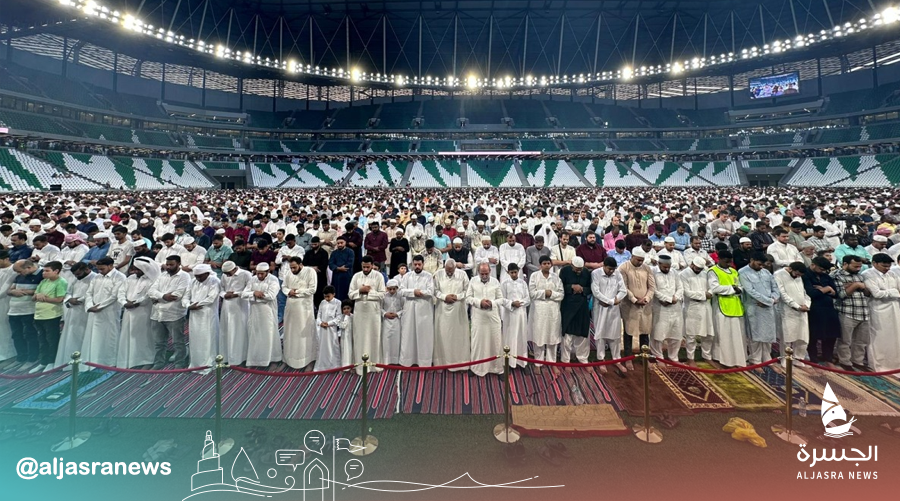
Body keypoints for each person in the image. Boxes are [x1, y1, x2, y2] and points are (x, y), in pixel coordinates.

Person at [81, 257, 126, 367]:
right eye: (98, 269)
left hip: (110, 311)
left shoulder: (120, 277)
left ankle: (109, 361)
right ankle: (94, 360)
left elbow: (114, 296)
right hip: (94, 310)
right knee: (93, 336)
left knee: (109, 335)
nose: (100, 271)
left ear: (110, 266)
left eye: (102, 269)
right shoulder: (97, 277)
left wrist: (100, 306)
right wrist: (89, 306)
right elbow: (89, 293)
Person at [116, 256, 158, 369]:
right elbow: (121, 292)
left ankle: (146, 360)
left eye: (138, 269)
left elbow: (149, 295)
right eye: (134, 269)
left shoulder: (152, 280)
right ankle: (129, 360)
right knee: (128, 334)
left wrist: (136, 303)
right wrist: (124, 302)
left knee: (143, 335)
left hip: (143, 311)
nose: (135, 271)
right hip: (128, 311)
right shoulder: (130, 278)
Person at [831, 255, 871, 370]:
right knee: (845, 340)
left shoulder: (860, 276)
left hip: (863, 311)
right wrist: (856, 285)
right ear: (845, 264)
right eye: (855, 266)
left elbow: (868, 293)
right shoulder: (837, 276)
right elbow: (841, 294)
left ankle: (858, 361)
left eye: (859, 266)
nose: (858, 269)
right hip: (847, 311)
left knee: (861, 341)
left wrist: (856, 286)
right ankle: (845, 362)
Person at [738, 253, 779, 366]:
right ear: (752, 260)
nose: (761, 267)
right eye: (759, 264)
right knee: (755, 334)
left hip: (768, 307)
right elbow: (750, 291)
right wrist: (768, 301)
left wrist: (773, 299)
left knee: (768, 334)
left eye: (763, 265)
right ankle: (755, 360)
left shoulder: (766, 272)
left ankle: (767, 358)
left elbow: (775, 287)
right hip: (754, 306)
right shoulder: (743, 272)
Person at [861, 254, 900, 372]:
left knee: (895, 336)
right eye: (884, 266)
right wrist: (893, 292)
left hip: (894, 308)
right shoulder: (867, 274)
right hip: (877, 309)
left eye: (889, 266)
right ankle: (877, 364)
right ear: (874, 263)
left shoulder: (892, 274)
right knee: (878, 337)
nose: (887, 268)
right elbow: (876, 294)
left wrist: (891, 292)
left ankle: (895, 364)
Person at [708, 251, 747, 368]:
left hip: (736, 305)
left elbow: (740, 286)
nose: (729, 264)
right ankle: (723, 360)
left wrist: (739, 289)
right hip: (721, 306)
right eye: (726, 262)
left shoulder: (734, 271)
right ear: (719, 259)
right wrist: (732, 288)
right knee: (724, 335)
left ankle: (737, 360)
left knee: (737, 335)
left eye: (730, 262)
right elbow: (714, 288)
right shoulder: (713, 271)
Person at [349, 256, 386, 373]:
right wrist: (360, 291)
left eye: (368, 267)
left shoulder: (378, 276)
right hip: (359, 311)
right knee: (359, 337)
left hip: (373, 311)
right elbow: (350, 294)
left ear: (372, 265)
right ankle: (360, 366)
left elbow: (382, 294)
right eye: (364, 267)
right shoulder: (356, 276)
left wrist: (369, 291)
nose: (365, 269)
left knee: (373, 336)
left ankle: (374, 365)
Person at [466, 263, 504, 376]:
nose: (484, 276)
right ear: (478, 272)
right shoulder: (473, 281)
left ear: (490, 272)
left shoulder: (495, 282)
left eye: (486, 273)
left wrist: (491, 303)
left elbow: (501, 299)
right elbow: (468, 298)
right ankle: (476, 368)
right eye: (482, 274)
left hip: (493, 318)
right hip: (478, 317)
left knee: (495, 342)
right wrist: (479, 302)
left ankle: (497, 368)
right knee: (478, 343)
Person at [241, 262, 282, 368]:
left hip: (268, 311)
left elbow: (271, 296)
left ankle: (272, 359)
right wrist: (254, 293)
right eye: (257, 273)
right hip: (254, 312)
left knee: (268, 334)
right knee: (255, 334)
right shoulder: (253, 279)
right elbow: (243, 294)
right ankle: (255, 360)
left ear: (267, 272)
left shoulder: (273, 280)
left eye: (262, 274)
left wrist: (254, 297)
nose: (259, 276)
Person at [619, 248, 655, 370]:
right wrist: (634, 299)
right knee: (628, 331)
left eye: (642, 260)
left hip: (645, 305)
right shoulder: (623, 268)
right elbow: (624, 287)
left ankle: (645, 357)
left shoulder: (647, 268)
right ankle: (628, 358)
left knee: (645, 331)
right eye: (638, 260)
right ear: (632, 257)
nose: (640, 262)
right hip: (629, 305)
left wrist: (646, 298)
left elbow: (652, 287)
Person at [590, 257, 627, 372]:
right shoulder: (595, 273)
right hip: (600, 308)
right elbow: (596, 291)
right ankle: (601, 360)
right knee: (600, 334)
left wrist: (615, 300)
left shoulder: (617, 273)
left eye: (613, 269)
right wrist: (610, 301)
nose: (611, 271)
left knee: (615, 334)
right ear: (604, 266)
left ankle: (617, 360)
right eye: (609, 269)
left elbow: (623, 290)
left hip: (614, 308)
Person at [433, 258, 470, 370]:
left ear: (455, 268)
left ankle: (461, 364)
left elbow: (467, 291)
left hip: (458, 310)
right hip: (442, 310)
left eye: (451, 270)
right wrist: (445, 297)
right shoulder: (438, 274)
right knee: (443, 335)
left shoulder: (462, 274)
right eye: (447, 270)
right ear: (444, 267)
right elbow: (434, 290)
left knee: (458, 336)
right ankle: (442, 362)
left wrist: (457, 297)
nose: (449, 273)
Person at [528, 255, 564, 370]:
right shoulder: (534, 276)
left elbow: (561, 295)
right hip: (539, 311)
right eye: (544, 263)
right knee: (539, 337)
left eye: (548, 263)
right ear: (540, 265)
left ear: (551, 265)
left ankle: (552, 362)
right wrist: (545, 293)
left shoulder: (556, 277)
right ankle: (538, 363)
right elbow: (532, 293)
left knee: (552, 337)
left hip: (553, 311)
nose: (547, 265)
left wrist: (551, 294)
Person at [397, 255, 434, 367]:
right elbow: (401, 291)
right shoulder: (407, 276)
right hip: (409, 309)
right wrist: (414, 292)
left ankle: (424, 361)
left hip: (424, 309)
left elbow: (430, 291)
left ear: (423, 264)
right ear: (412, 264)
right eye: (415, 264)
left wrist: (420, 293)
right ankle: (407, 360)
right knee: (408, 334)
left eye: (419, 264)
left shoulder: (428, 276)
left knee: (424, 334)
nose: (417, 266)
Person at [183, 264, 220, 373]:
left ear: (207, 273)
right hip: (194, 314)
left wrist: (197, 304)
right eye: (196, 276)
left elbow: (211, 298)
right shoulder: (193, 281)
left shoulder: (214, 281)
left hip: (208, 314)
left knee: (208, 338)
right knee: (195, 338)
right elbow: (185, 296)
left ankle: (209, 364)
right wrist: (188, 305)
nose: (198, 278)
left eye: (200, 276)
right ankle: (195, 364)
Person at [282, 256, 318, 370]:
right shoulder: (289, 273)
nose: (292, 270)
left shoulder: (310, 272)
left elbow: (312, 289)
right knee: (290, 332)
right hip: (291, 307)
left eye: (294, 267)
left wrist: (296, 292)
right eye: (291, 268)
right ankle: (288, 359)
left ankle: (308, 360)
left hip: (304, 310)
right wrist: (289, 291)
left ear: (300, 264)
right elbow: (284, 287)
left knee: (304, 334)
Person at [31, 261, 67, 373]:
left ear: (56, 271)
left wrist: (43, 298)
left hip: (52, 316)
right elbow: (33, 297)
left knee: (51, 340)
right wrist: (38, 295)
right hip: (38, 315)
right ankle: (43, 361)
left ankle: (52, 362)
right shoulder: (43, 281)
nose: (44, 273)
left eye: (47, 271)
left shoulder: (61, 282)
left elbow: (59, 299)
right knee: (42, 340)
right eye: (43, 271)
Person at [774, 262, 811, 366]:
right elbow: (782, 294)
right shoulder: (778, 275)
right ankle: (785, 359)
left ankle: (798, 358)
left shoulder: (798, 276)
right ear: (790, 269)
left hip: (802, 310)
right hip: (788, 310)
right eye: (797, 274)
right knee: (787, 337)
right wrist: (796, 306)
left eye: (800, 275)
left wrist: (807, 304)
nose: (798, 276)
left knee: (803, 337)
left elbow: (803, 293)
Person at [679, 256, 715, 365]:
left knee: (709, 334)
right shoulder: (684, 274)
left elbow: (712, 287)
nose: (699, 270)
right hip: (692, 307)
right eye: (697, 268)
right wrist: (704, 294)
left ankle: (707, 356)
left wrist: (710, 293)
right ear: (692, 264)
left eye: (700, 269)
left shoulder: (705, 272)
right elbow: (686, 293)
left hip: (706, 306)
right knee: (691, 335)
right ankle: (690, 358)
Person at [648, 255, 684, 361]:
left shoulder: (674, 272)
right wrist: (667, 299)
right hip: (660, 307)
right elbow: (653, 289)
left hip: (675, 308)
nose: (667, 269)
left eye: (668, 266)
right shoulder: (652, 272)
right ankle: (658, 356)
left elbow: (680, 287)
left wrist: (675, 298)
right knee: (658, 333)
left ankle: (674, 357)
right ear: (659, 263)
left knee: (676, 334)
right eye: (664, 267)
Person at [219, 261, 251, 366]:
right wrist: (224, 295)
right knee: (227, 330)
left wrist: (236, 294)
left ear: (234, 269)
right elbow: (221, 289)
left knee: (240, 331)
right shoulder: (224, 275)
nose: (227, 275)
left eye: (228, 273)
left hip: (241, 306)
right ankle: (227, 356)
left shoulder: (246, 274)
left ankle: (242, 357)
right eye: (225, 274)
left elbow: (249, 290)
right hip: (227, 306)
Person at [500, 263, 529, 369]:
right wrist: (512, 303)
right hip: (510, 314)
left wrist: (519, 303)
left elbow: (528, 299)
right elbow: (501, 299)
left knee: (521, 336)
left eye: (515, 272)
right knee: (510, 336)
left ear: (518, 271)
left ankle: (522, 362)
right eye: (511, 272)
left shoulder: (523, 283)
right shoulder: (504, 284)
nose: (513, 274)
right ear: (508, 272)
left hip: (521, 313)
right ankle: (509, 362)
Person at [315, 286, 343, 371]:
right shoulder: (322, 302)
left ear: (333, 294)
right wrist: (320, 323)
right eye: (325, 296)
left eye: (328, 296)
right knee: (322, 347)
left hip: (332, 329)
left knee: (333, 346)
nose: (326, 298)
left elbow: (339, 317)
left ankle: (334, 366)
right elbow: (319, 314)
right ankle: (322, 366)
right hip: (322, 329)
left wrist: (329, 323)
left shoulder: (338, 302)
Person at [381, 280, 404, 365]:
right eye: (390, 289)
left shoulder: (400, 296)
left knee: (396, 340)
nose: (392, 291)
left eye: (394, 289)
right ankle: (386, 360)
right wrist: (385, 313)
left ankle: (396, 360)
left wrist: (397, 314)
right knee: (386, 340)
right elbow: (380, 307)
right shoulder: (384, 296)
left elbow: (404, 308)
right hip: (386, 320)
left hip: (397, 320)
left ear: (397, 288)